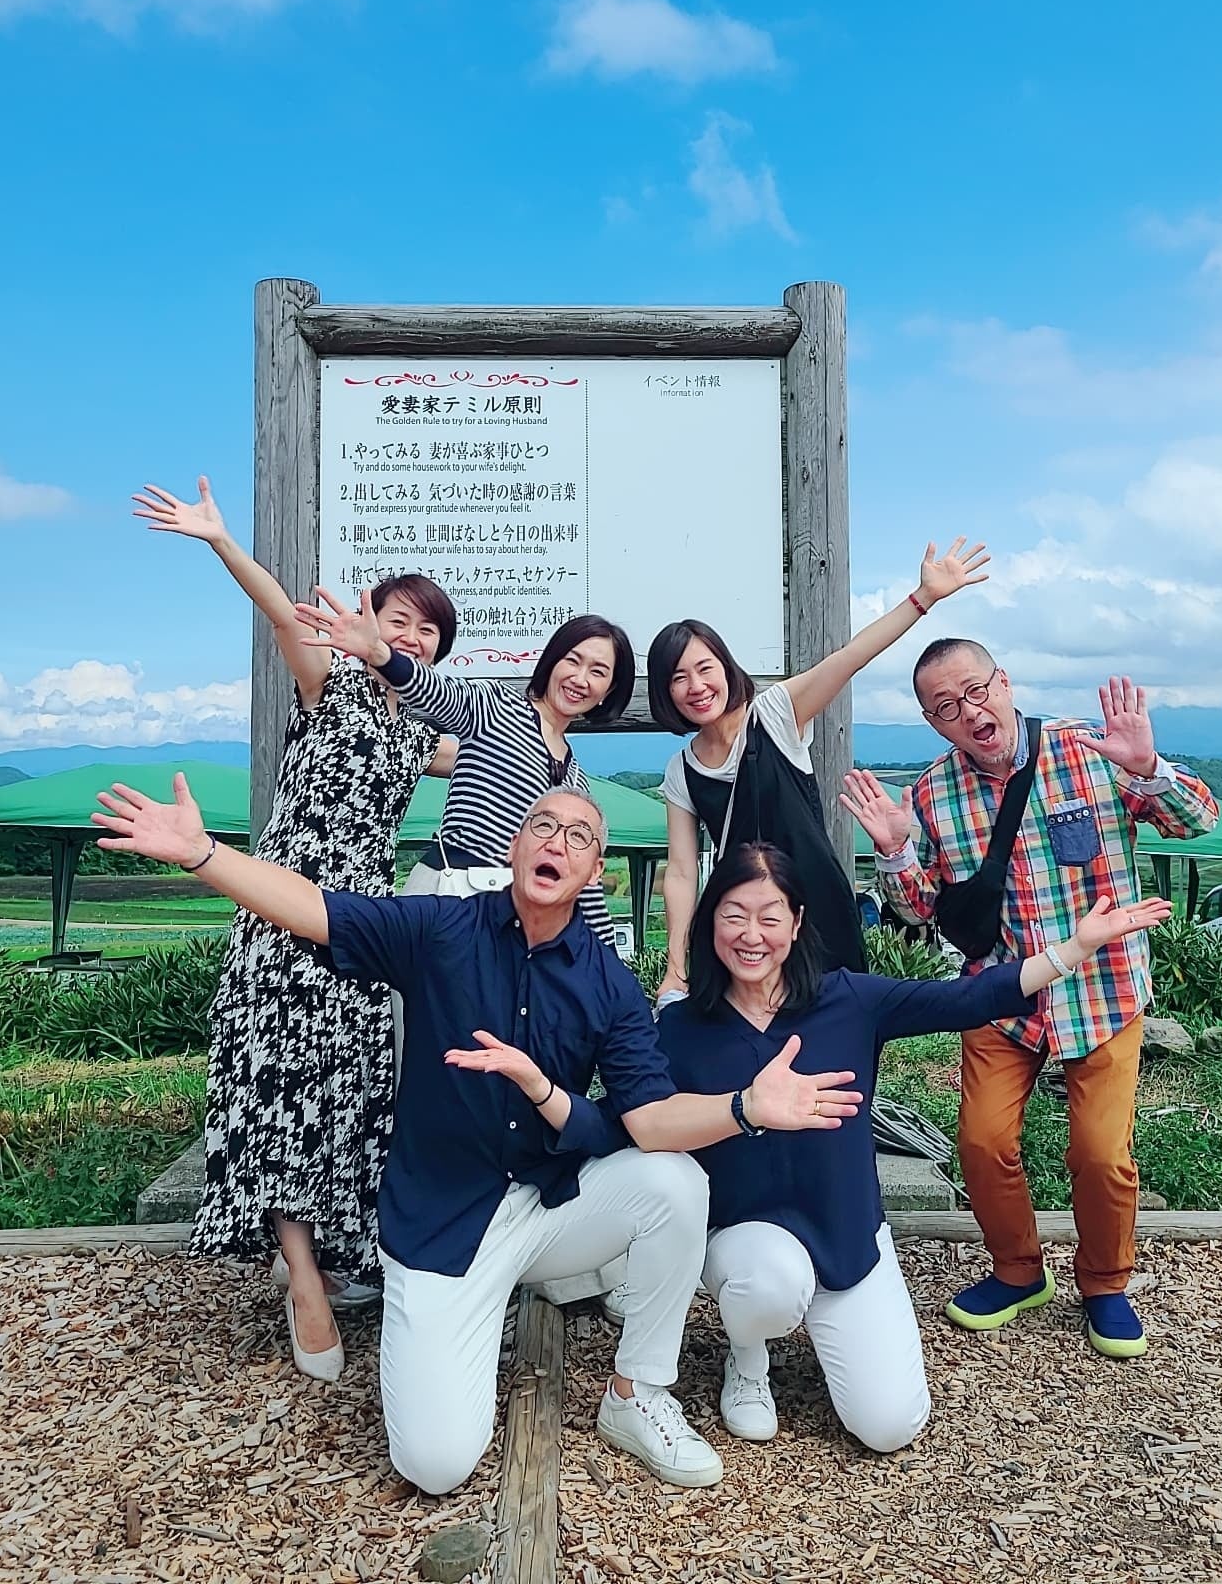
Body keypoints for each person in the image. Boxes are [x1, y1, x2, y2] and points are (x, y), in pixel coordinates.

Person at [92, 777, 864, 1495]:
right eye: (543, 826)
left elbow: (647, 1122)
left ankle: (637, 1393)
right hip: (444, 1219)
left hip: (546, 1208)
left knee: (676, 1182)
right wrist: (202, 852)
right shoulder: (441, 927)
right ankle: (460, 1318)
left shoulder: (607, 983)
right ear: (515, 847)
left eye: (580, 837)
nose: (557, 842)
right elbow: (315, 908)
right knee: (434, 1465)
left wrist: (742, 1106)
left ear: (594, 872)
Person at [658, 841, 1170, 1450]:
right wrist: (743, 1107)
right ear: (710, 921)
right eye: (734, 915)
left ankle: (835, 1314)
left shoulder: (847, 1000)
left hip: (846, 1231)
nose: (751, 935)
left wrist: (1072, 951)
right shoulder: (681, 1028)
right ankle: (748, 1357)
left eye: (770, 917)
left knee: (889, 1425)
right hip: (748, 1238)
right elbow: (642, 1123)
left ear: (796, 924)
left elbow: (966, 1000)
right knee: (768, 1284)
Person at [132, 477, 458, 1379]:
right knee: (277, 1086)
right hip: (281, 910)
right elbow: (281, 611)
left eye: (429, 631)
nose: (412, 636)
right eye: (399, 618)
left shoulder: (419, 732)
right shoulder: (328, 686)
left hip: (363, 925)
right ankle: (304, 1282)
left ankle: (324, 1251)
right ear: (366, 619)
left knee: (350, 1091)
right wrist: (219, 540)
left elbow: (498, 743)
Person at [839, 647, 1219, 1360]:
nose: (969, 712)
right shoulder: (933, 793)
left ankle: (1105, 1283)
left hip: (1104, 987)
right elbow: (922, 910)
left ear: (1004, 683)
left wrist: (1147, 767)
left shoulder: (1088, 749)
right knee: (982, 1142)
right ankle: (1017, 1271)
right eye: (945, 707)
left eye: (976, 690)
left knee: (1100, 1152)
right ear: (931, 721)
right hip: (1003, 994)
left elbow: (1196, 821)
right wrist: (895, 853)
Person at [648, 538, 990, 1003]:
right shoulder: (681, 771)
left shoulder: (774, 715)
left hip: (820, 917)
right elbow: (681, 871)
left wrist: (923, 598)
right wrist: (675, 964)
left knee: (836, 1031)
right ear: (665, 692)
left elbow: (849, 657)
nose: (696, 686)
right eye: (678, 678)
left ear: (726, 667)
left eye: (705, 668)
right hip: (745, 931)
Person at [295, 588, 633, 946]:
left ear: (609, 689)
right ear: (551, 661)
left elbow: (583, 882)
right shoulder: (497, 707)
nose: (580, 679)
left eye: (598, 671)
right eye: (572, 661)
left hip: (511, 923)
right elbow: (436, 691)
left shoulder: (576, 781)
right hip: (452, 897)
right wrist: (380, 653)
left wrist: (608, 962)